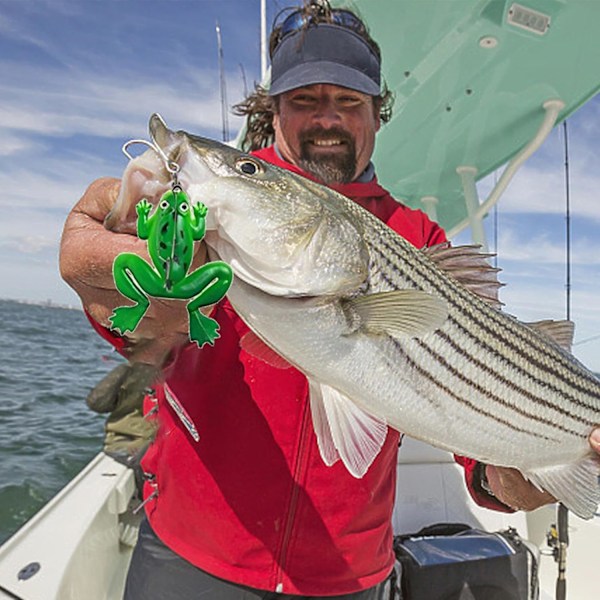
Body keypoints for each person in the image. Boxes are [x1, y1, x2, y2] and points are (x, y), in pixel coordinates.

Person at [59, 2, 600, 598]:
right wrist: (120, 299)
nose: (327, 118)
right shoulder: (215, 224)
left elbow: (477, 410)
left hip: (346, 574)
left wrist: (515, 478)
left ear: (376, 113)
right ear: (273, 111)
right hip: (193, 548)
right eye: (304, 99)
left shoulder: (421, 239)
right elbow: (145, 343)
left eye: (349, 101)